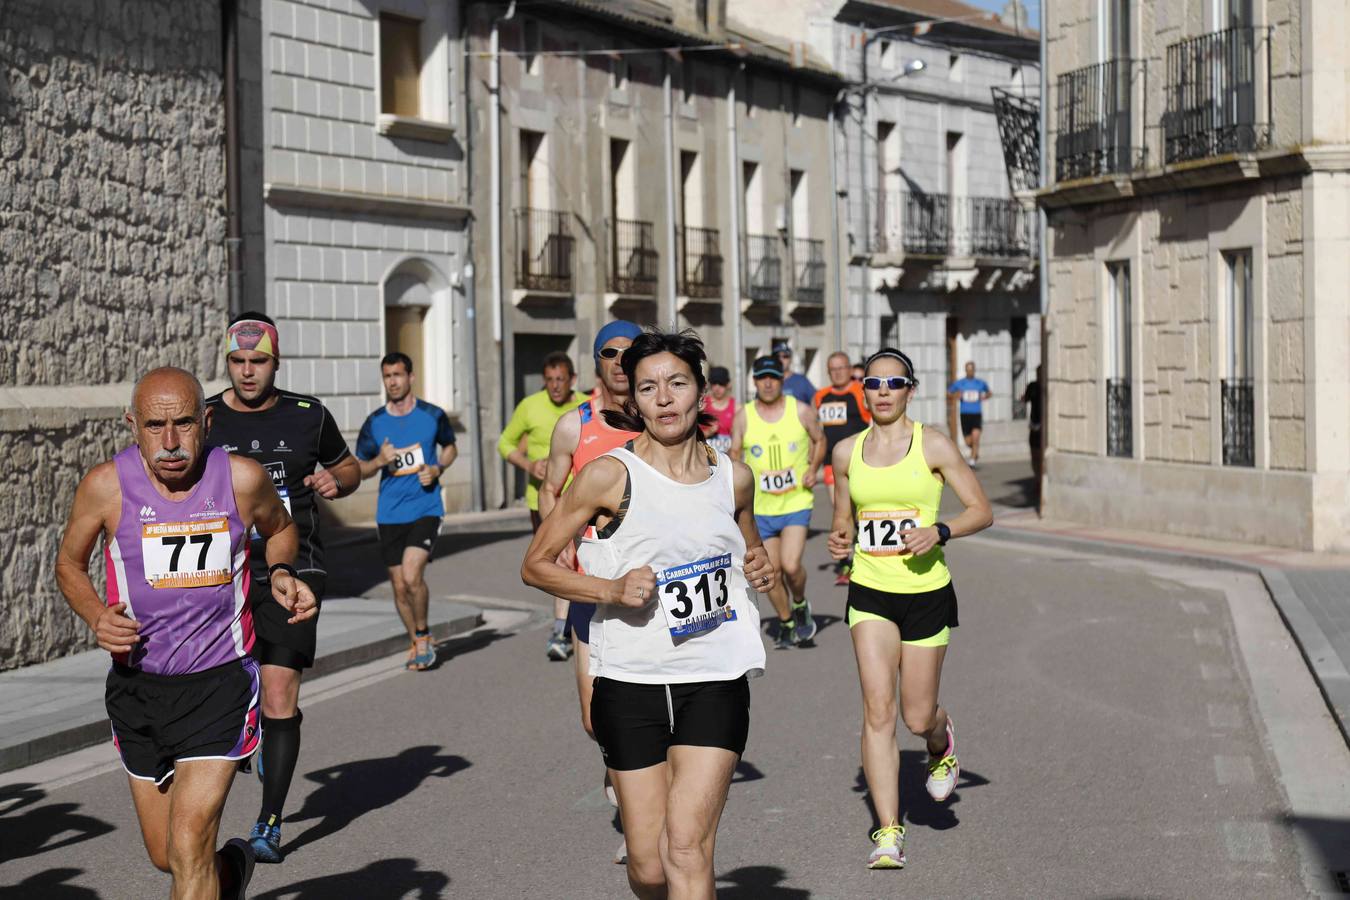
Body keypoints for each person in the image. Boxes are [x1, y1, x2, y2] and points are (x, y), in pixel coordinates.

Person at [521, 328, 776, 900]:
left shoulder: (733, 477)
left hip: (713, 678)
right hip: (630, 683)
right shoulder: (608, 475)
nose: (664, 398)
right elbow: (535, 565)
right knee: (650, 866)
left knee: (686, 849)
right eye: (648, 388)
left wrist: (761, 570)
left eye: (677, 383)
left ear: (701, 392)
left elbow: (750, 551)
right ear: (633, 401)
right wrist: (609, 590)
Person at [55, 367, 318, 899]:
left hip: (220, 683)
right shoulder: (105, 487)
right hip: (138, 690)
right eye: (155, 426)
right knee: (168, 856)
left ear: (207, 420)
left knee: (188, 837)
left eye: (183, 424)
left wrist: (285, 573)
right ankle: (231, 872)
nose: (170, 442)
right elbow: (68, 564)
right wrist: (95, 615)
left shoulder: (242, 479)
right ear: (132, 424)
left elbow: (282, 529)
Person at [204, 313, 361, 864]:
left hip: (294, 568)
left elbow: (349, 469)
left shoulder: (308, 416)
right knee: (230, 692)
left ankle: (269, 822)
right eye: (238, 361)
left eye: (259, 361)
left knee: (279, 691)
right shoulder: (205, 419)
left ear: (277, 361)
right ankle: (265, 735)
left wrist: (333, 480)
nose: (248, 372)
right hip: (220, 572)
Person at [827, 348, 992, 870]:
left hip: (926, 593)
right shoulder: (846, 453)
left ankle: (941, 744)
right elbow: (843, 522)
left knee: (917, 714)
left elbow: (981, 510)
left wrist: (939, 530)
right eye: (873, 383)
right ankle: (888, 830)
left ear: (909, 389)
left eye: (893, 383)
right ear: (863, 390)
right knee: (878, 711)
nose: (882, 391)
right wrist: (839, 540)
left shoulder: (935, 445)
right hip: (871, 591)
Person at [355, 352, 458, 671]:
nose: (393, 382)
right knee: (399, 586)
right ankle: (415, 640)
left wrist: (437, 469)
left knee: (413, 575)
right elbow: (360, 467)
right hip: (389, 513)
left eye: (398, 375)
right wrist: (379, 462)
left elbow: (451, 447)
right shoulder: (374, 423)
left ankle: (424, 635)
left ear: (411, 377)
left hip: (425, 507)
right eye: (387, 376)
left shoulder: (432, 415)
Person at [730, 355, 826, 649]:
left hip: (796, 502)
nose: (768, 382)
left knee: (791, 564)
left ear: (782, 380)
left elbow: (820, 439)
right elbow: (734, 452)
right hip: (760, 508)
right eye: (762, 377)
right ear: (755, 382)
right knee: (771, 572)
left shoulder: (800, 410)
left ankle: (799, 603)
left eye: (773, 377)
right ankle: (785, 621)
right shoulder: (744, 415)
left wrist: (813, 468)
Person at [497, 350, 587, 660]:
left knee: (581, 560)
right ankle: (561, 629)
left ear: (572, 380)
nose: (555, 386)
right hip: (543, 499)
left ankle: (584, 622)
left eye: (561, 380)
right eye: (549, 381)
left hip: (581, 499)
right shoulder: (529, 406)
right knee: (561, 561)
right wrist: (529, 465)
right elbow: (505, 443)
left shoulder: (584, 407)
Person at [814, 351, 872, 586]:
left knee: (862, 513)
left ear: (850, 368)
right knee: (841, 511)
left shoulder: (861, 391)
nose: (837, 372)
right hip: (831, 464)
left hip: (860, 463)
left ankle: (867, 555)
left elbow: (873, 422)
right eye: (833, 369)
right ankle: (846, 563)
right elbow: (817, 432)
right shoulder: (821, 396)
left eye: (841, 368)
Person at [947, 361, 992, 464]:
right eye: (968, 370)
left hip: (976, 414)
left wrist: (984, 396)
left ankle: (972, 460)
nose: (970, 372)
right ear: (966, 370)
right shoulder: (960, 383)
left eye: (971, 370)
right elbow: (949, 393)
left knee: (976, 437)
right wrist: (956, 396)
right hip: (965, 414)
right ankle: (975, 451)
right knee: (968, 442)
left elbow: (989, 393)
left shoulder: (980, 383)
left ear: (974, 370)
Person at [700, 365, 736, 456]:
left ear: (728, 385)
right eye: (714, 383)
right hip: (705, 460)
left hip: (729, 459)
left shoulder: (736, 407)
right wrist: (709, 432)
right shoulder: (702, 405)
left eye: (721, 384)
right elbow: (690, 438)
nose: (717, 388)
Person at [773, 341, 816, 406]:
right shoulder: (767, 381)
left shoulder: (801, 381)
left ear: (790, 359)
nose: (781, 359)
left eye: (785, 356)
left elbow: (815, 402)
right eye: (777, 356)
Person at [1023, 363, 1044, 491]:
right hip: (1035, 425)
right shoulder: (1033, 386)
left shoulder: (1048, 386)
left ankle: (1041, 479)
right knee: (1034, 454)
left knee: (1042, 455)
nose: (1039, 375)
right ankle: (1037, 478)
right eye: (1038, 373)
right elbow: (1026, 399)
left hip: (1046, 427)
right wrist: (1023, 397)